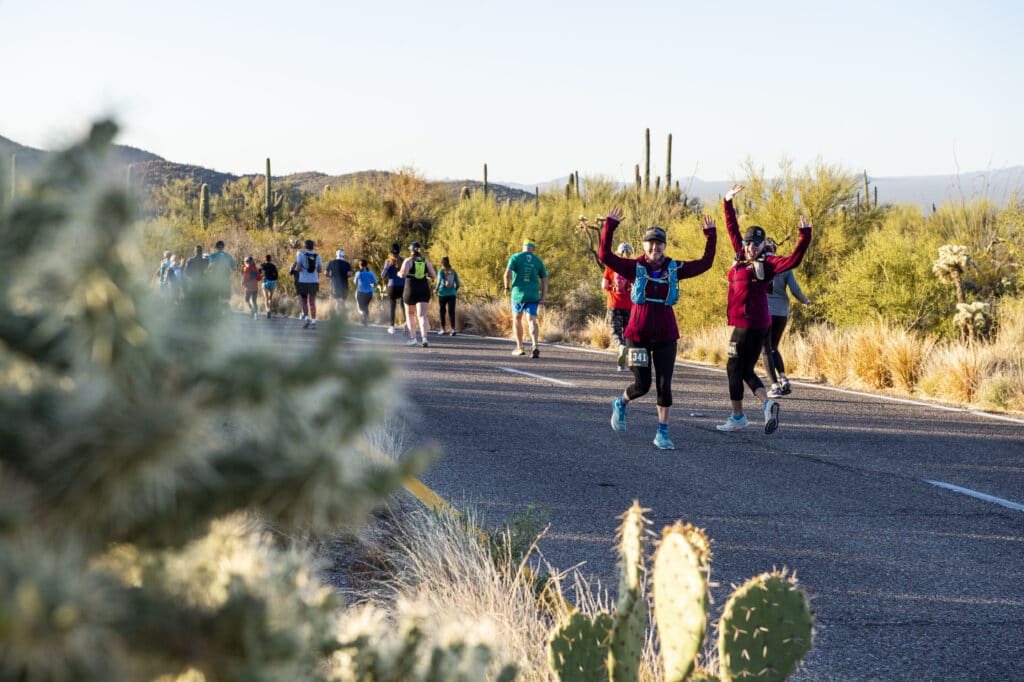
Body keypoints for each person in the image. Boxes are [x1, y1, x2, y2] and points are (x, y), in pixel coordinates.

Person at [600, 207, 718, 450]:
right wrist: (610, 226)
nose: (655, 249)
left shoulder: (674, 268)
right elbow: (605, 255)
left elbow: (705, 264)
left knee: (664, 385)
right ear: (644, 246)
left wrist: (711, 236)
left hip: (666, 336)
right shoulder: (633, 267)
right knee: (642, 385)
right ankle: (620, 404)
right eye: (651, 244)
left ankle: (662, 433)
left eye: (659, 244)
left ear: (665, 246)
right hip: (637, 336)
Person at [716, 184, 812, 435]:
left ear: (763, 245)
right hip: (757, 323)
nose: (751, 247)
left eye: (756, 244)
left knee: (732, 367)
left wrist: (805, 236)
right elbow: (732, 229)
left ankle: (738, 417)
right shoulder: (741, 255)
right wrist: (727, 203)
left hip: (749, 323)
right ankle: (767, 404)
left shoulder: (767, 263)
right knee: (744, 369)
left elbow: (793, 260)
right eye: (749, 243)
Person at [762, 239, 812, 398]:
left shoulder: (758, 264)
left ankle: (774, 386)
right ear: (775, 250)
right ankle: (783, 378)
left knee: (766, 349)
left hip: (765, 311)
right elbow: (795, 289)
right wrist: (805, 300)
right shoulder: (784, 265)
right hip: (782, 312)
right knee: (774, 347)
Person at [503, 238, 548, 358]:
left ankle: (520, 347)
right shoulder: (538, 261)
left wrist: (506, 288)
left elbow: (507, 274)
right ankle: (535, 346)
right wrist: (543, 297)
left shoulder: (515, 257)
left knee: (517, 319)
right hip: (533, 296)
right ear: (533, 248)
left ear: (523, 247)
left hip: (518, 296)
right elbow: (545, 280)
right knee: (532, 320)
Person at [398, 242, 437, 347]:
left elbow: (403, 274)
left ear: (411, 250)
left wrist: (398, 273)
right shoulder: (426, 261)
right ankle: (424, 339)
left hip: (410, 288)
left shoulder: (408, 261)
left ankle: (413, 338)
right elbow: (433, 275)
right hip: (423, 288)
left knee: (410, 314)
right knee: (422, 315)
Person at [603, 242, 634, 371]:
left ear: (618, 253)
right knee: (628, 332)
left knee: (615, 331)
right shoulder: (632, 266)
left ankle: (620, 347)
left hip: (614, 304)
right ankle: (625, 363)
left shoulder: (611, 266)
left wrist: (611, 288)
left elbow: (604, 285)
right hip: (629, 306)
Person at [293, 239, 323, 329]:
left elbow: (298, 267)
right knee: (312, 302)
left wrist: (293, 270)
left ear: (305, 246)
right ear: (313, 246)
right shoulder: (317, 256)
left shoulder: (301, 255)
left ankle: (306, 318)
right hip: (314, 282)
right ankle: (313, 320)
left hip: (304, 281)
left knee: (304, 301)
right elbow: (320, 270)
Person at [380, 244, 405, 333]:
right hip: (403, 286)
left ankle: (392, 327)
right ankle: (406, 324)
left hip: (392, 286)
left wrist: (388, 272)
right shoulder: (403, 261)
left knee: (392, 306)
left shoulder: (388, 262)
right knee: (403, 305)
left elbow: (383, 275)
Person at [435, 256, 461, 335]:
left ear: (442, 263)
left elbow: (439, 281)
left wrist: (436, 289)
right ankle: (453, 329)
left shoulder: (441, 271)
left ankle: (443, 329)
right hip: (452, 294)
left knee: (442, 311)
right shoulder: (453, 271)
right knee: (451, 311)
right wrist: (454, 290)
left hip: (442, 294)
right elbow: (458, 283)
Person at [206, 240, 236, 306]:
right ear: (223, 247)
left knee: (214, 300)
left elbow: (209, 267)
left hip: (215, 281)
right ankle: (225, 313)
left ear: (216, 247)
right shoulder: (229, 256)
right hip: (226, 281)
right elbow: (234, 268)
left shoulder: (212, 256)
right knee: (225, 300)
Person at [325, 249, 353, 318]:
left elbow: (326, 273)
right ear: (343, 255)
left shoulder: (331, 262)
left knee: (337, 301)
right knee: (342, 301)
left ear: (336, 254)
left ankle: (338, 317)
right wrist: (344, 275)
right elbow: (350, 274)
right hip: (344, 284)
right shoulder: (347, 264)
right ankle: (343, 316)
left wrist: (331, 277)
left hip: (335, 284)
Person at [353, 259, 378, 326]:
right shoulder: (370, 273)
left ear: (359, 265)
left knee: (360, 308)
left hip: (360, 292)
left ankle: (363, 315)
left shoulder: (358, 273)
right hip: (369, 292)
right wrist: (370, 285)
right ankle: (365, 321)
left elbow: (355, 282)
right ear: (367, 265)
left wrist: (361, 283)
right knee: (366, 306)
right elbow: (375, 283)